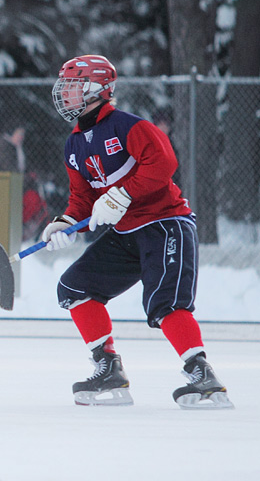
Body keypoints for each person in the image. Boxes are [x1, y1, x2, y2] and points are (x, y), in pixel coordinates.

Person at [41, 54, 233, 409]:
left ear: (99, 89)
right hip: (126, 233)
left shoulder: (128, 126)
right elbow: (82, 198)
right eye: (65, 87)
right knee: (74, 287)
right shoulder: (74, 144)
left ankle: (202, 375)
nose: (64, 94)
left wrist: (123, 194)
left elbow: (164, 163)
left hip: (164, 223)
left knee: (165, 303)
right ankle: (108, 368)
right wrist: (65, 222)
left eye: (73, 87)